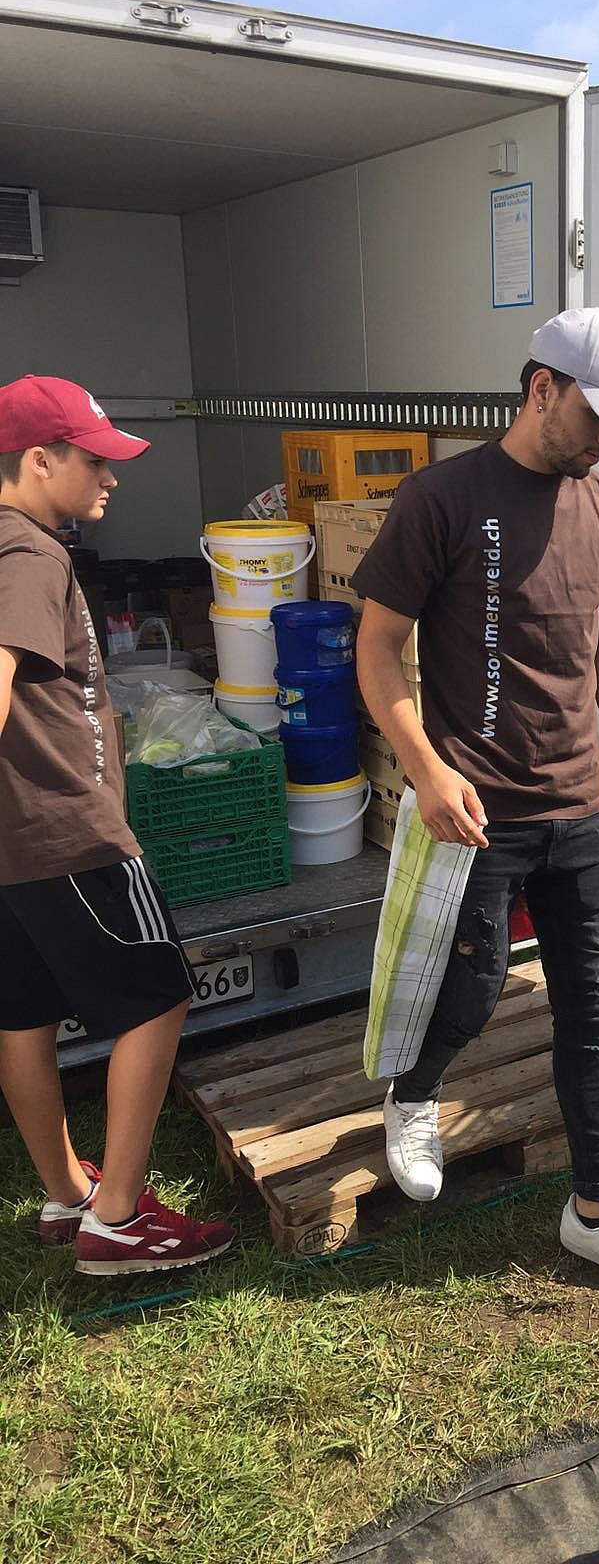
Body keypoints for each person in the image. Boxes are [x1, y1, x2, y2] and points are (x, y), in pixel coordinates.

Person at [353, 307, 599, 1304]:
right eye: (597, 416)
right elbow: (377, 649)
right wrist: (425, 769)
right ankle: (414, 1093)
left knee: (591, 1011)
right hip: (478, 811)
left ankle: (598, 1213)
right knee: (474, 983)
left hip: (578, 808)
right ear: (543, 388)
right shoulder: (442, 498)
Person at [0, 375, 234, 1274]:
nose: (111, 477)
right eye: (95, 461)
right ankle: (119, 1217)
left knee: (23, 1014)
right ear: (39, 459)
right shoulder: (30, 554)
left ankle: (67, 1193)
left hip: (12, 842)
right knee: (159, 994)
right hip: (66, 830)